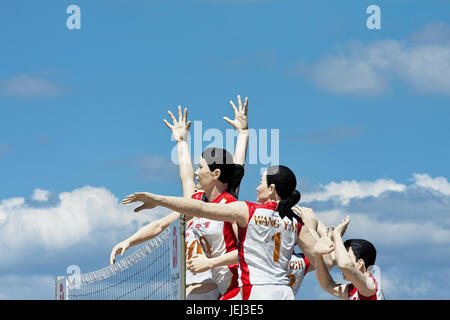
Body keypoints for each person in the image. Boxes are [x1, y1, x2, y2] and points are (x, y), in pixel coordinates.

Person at [111, 95, 250, 300]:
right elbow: (160, 223)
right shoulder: (194, 205)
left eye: (200, 168)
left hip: (221, 285)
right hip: (204, 285)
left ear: (215, 175)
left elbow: (236, 168)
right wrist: (181, 141)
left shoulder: (227, 204)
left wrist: (243, 133)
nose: (195, 173)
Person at [122, 165, 321, 300]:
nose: (256, 186)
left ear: (271, 188)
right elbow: (325, 262)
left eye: (260, 182)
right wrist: (316, 229)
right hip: (283, 293)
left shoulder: (246, 209)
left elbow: (199, 208)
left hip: (252, 291)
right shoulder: (296, 223)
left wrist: (157, 199)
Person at [313, 216, 385, 300]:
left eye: (347, 257)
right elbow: (327, 284)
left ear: (360, 263)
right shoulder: (355, 289)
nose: (339, 260)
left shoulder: (370, 285)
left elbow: (345, 265)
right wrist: (318, 255)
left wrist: (337, 235)